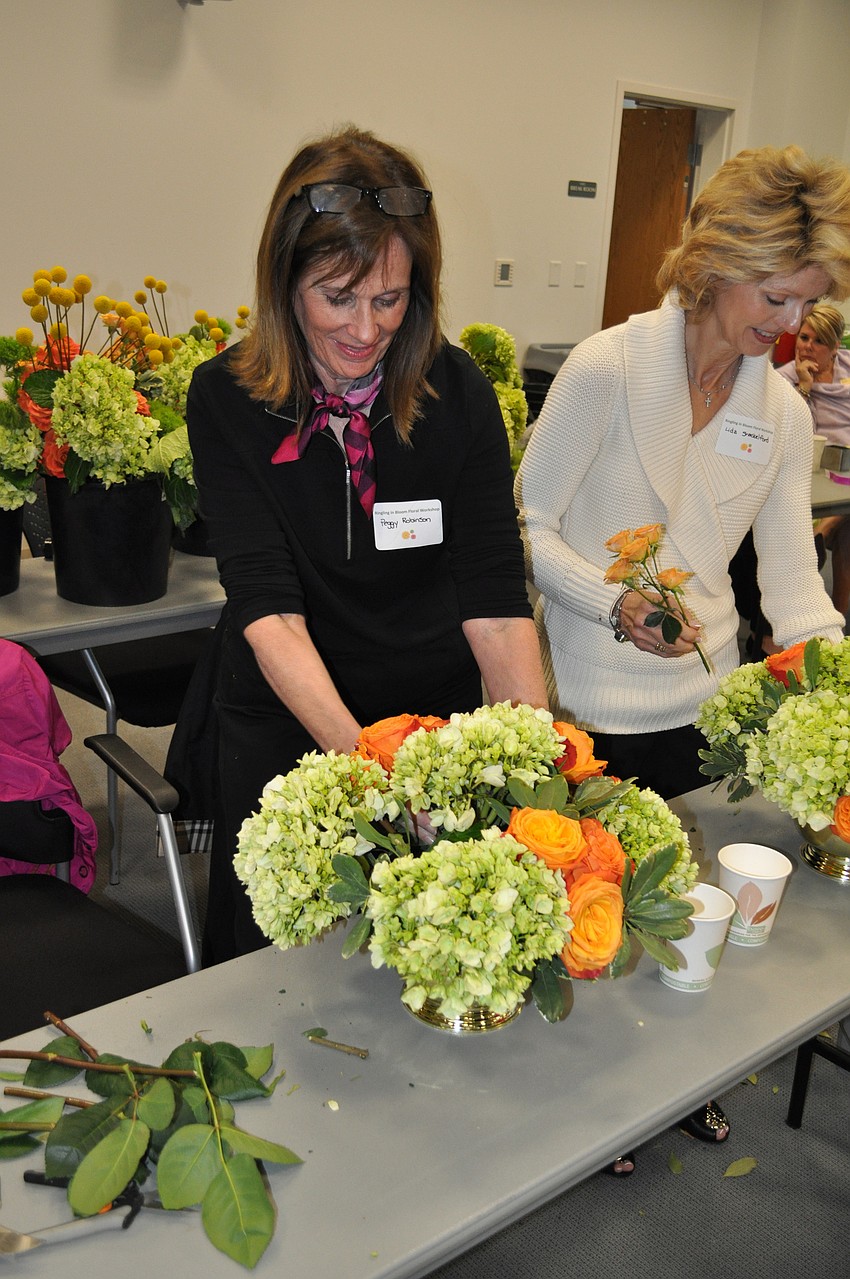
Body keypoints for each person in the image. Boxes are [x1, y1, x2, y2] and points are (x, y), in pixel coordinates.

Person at [515, 143, 850, 1166]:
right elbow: (523, 523)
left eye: (804, 304)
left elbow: (793, 588)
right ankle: (584, 1104)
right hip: (584, 700)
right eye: (774, 296)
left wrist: (835, 685)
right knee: (591, 915)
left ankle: (667, 1085)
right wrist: (609, 602)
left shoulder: (782, 413)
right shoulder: (608, 368)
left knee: (684, 915)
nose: (787, 327)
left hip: (700, 712)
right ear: (715, 262)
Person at [187, 126, 548, 965]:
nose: (364, 329)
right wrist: (367, 767)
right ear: (285, 284)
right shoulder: (227, 399)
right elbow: (267, 606)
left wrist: (533, 767)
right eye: (336, 297)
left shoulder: (458, 395)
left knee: (433, 964)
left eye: (388, 300)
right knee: (286, 976)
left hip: (431, 718)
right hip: (290, 723)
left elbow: (495, 605)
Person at [777, 302, 850, 615]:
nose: (808, 347)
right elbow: (795, 439)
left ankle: (837, 617)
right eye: (804, 337)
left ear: (835, 347)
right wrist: (804, 389)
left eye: (818, 341)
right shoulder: (783, 380)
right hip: (816, 470)